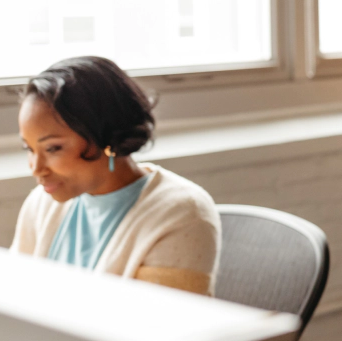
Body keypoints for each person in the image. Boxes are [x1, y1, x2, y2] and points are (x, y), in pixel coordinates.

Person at [11, 56, 221, 296]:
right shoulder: (41, 203)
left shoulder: (183, 215)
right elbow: (15, 300)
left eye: (53, 148)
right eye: (29, 148)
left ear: (107, 136)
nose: (36, 168)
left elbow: (161, 328)